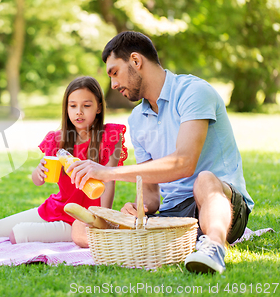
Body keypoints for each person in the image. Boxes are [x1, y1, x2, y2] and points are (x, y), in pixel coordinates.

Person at [68, 31, 254, 274]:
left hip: (223, 202)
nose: (113, 84)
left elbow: (184, 163)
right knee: (81, 226)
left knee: (204, 179)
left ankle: (214, 247)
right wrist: (140, 208)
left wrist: (108, 172)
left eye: (114, 72)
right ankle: (141, 245)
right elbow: (153, 196)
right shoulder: (137, 119)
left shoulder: (194, 92)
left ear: (136, 61)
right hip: (175, 214)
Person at [0, 76, 127, 243]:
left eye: (86, 106)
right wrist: (38, 172)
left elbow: (109, 181)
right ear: (66, 108)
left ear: (99, 107)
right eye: (73, 106)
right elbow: (38, 181)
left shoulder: (110, 136)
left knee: (18, 234)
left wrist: (101, 220)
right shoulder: (57, 140)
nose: (79, 111)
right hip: (55, 208)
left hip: (80, 219)